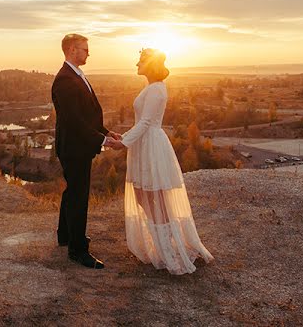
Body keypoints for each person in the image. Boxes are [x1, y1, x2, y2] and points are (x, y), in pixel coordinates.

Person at [120, 48, 214, 275]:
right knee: (143, 196)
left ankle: (168, 252)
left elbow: (145, 123)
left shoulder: (156, 90)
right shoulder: (150, 87)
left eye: (140, 61)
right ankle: (162, 242)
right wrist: (122, 138)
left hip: (151, 144)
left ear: (149, 65)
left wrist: (122, 142)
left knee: (155, 197)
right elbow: (140, 122)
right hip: (143, 144)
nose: (136, 65)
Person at [51, 33, 123, 269]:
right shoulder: (64, 80)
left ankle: (65, 235)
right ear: (72, 50)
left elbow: (87, 115)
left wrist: (106, 131)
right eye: (84, 49)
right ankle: (78, 250)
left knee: (73, 191)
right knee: (79, 197)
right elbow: (74, 121)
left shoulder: (75, 75)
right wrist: (101, 140)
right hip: (73, 147)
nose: (87, 53)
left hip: (77, 145)